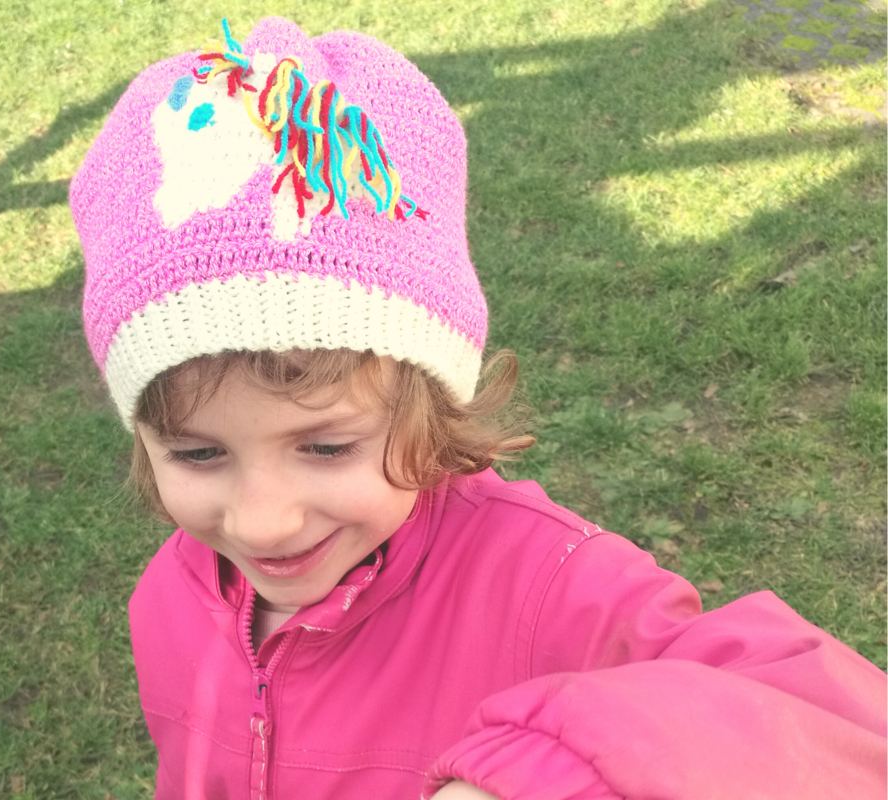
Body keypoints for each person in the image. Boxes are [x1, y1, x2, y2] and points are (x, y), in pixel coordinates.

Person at [69, 17, 887, 799]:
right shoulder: (171, 596)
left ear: (429, 406)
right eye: (198, 453)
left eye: (326, 447)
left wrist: (550, 775)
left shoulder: (545, 585)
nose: (262, 523)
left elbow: (838, 726)